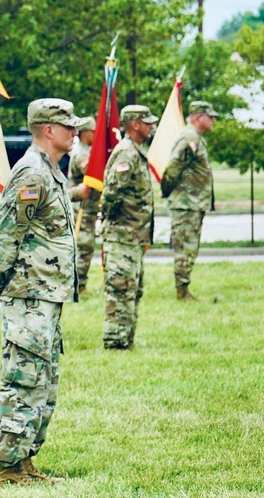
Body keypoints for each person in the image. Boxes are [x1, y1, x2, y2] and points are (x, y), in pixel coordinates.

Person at [0, 99, 86, 485]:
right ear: (48, 130)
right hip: (28, 294)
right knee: (23, 379)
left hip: (46, 294)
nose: (75, 132)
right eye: (68, 126)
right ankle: (9, 467)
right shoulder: (31, 173)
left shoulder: (50, 172)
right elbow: (6, 234)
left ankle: (25, 458)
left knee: (43, 381)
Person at [100, 105, 158, 350]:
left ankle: (126, 340)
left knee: (132, 289)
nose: (151, 126)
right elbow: (112, 193)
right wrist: (118, 226)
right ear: (135, 124)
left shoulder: (135, 151)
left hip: (133, 237)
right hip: (122, 236)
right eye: (147, 122)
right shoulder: (126, 153)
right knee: (120, 289)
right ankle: (115, 342)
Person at [161, 101, 218, 300]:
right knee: (185, 248)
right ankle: (182, 292)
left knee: (190, 248)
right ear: (197, 117)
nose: (213, 120)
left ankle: (184, 290)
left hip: (192, 203)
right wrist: (168, 191)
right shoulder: (189, 138)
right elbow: (173, 168)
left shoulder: (195, 138)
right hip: (186, 203)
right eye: (209, 116)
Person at [67, 117, 100, 292]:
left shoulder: (87, 151)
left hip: (89, 208)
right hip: (81, 208)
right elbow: (92, 171)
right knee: (83, 246)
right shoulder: (81, 153)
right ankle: (78, 286)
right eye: (95, 132)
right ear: (86, 133)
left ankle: (81, 284)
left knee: (86, 246)